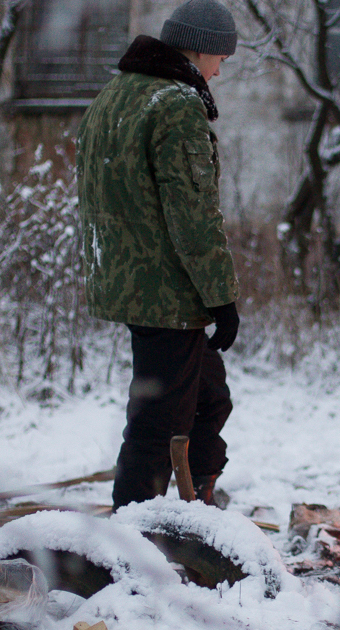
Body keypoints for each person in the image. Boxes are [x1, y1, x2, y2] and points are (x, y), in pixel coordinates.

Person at [76, 0, 241, 510]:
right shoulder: (175, 104)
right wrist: (223, 298)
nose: (221, 69)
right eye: (221, 58)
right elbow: (192, 213)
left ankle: (199, 506)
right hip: (165, 292)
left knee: (208, 398)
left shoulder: (117, 93)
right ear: (202, 48)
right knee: (157, 427)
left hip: (131, 280)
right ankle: (131, 551)